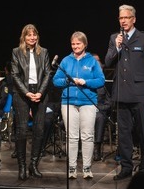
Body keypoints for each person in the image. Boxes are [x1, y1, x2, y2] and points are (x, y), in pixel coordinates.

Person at [105, 4, 144, 181]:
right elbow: (108, 62)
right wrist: (117, 47)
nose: (123, 21)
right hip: (121, 94)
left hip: (140, 93)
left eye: (126, 18)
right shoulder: (115, 38)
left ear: (133, 19)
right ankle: (126, 167)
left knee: (143, 131)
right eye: (121, 18)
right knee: (124, 133)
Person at [53, 31, 105, 179]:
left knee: (88, 136)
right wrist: (68, 81)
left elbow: (101, 80)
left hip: (88, 102)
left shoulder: (92, 61)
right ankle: (72, 168)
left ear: (85, 44)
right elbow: (56, 80)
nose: (75, 46)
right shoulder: (65, 61)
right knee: (72, 137)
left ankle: (87, 168)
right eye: (73, 44)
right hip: (68, 102)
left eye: (78, 44)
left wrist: (85, 82)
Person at [11, 24, 51, 180]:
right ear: (24, 37)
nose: (32, 37)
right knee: (21, 131)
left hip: (40, 92)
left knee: (39, 130)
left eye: (34, 35)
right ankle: (22, 167)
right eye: (29, 35)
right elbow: (15, 75)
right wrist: (27, 93)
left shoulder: (44, 52)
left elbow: (48, 73)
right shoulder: (16, 52)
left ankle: (33, 165)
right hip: (22, 93)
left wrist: (40, 92)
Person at [92, 53, 112, 161]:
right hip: (85, 109)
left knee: (99, 117)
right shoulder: (86, 83)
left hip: (99, 111)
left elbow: (109, 103)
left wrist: (99, 108)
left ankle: (97, 148)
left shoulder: (103, 85)